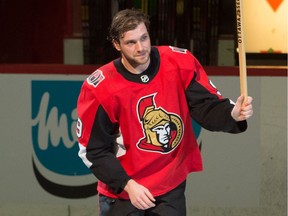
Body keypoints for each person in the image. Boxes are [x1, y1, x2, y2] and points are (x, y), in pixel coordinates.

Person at [76, 8, 253, 216]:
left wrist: (231, 114)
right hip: (124, 192)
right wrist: (127, 184)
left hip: (170, 186)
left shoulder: (179, 63)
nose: (141, 48)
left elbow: (205, 106)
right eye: (131, 42)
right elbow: (92, 150)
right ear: (117, 45)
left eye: (144, 38)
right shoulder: (100, 88)